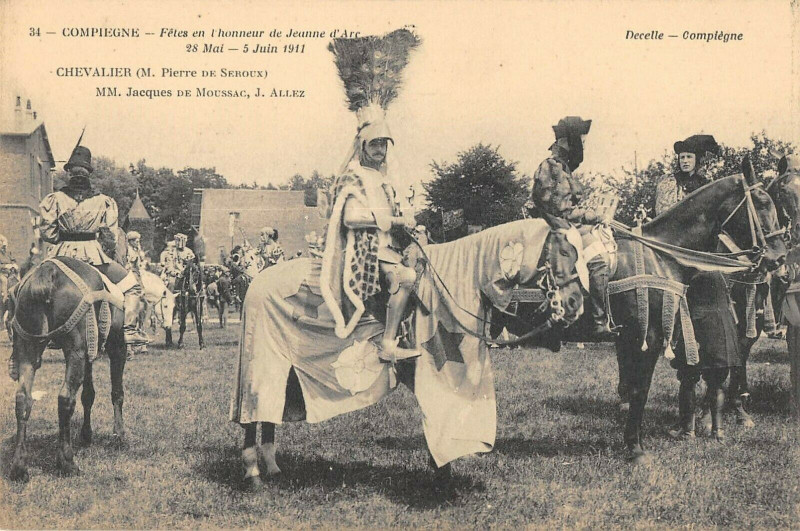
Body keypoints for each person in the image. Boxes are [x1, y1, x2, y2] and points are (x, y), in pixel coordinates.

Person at [655, 134, 739, 440]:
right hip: (675, 248)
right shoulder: (667, 184)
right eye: (681, 157)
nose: (684, 161)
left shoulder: (707, 185)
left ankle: (707, 421)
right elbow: (665, 217)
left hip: (704, 254)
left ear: (697, 160)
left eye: (689, 157)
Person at [321, 104, 419, 361]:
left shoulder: (384, 180)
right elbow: (351, 218)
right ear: (362, 146)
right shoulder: (352, 176)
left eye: (383, 145)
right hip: (365, 249)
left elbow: (396, 216)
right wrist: (392, 221)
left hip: (389, 248)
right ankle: (388, 344)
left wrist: (408, 223)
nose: (379, 150)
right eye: (374, 144)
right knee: (406, 277)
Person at [37, 141, 146, 359]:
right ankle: (130, 330)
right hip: (94, 255)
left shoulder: (54, 199)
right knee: (132, 286)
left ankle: (41, 332)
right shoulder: (103, 201)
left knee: (35, 288)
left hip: (62, 255)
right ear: (88, 173)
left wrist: (64, 236)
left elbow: (47, 234)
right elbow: (111, 235)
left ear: (69, 173)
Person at [526, 116, 612, 338]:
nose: (583, 146)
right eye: (581, 141)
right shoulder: (552, 167)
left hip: (563, 225)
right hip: (557, 228)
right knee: (600, 259)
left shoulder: (560, 168)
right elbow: (560, 210)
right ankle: (599, 321)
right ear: (570, 142)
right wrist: (591, 215)